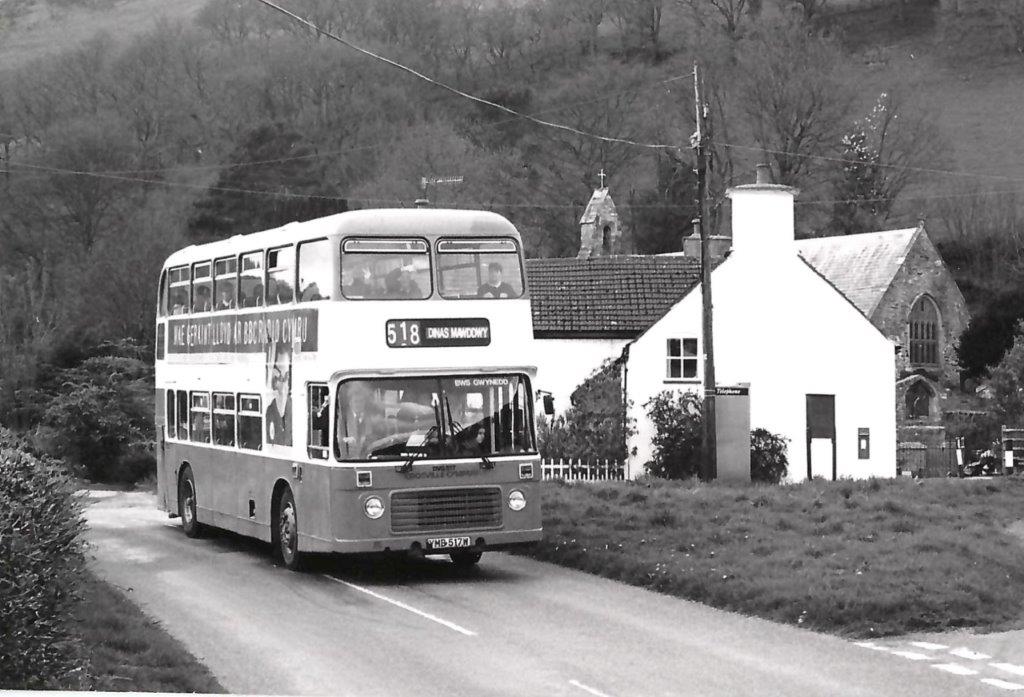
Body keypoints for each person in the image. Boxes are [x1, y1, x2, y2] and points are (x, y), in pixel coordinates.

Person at [339, 383, 386, 458]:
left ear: (365, 403)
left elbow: (380, 437)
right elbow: (336, 439)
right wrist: (345, 440)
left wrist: (368, 440)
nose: (358, 404)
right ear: (350, 403)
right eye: (355, 401)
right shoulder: (342, 419)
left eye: (361, 401)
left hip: (368, 458)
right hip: (348, 459)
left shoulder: (372, 418)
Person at [265, 341, 293, 446]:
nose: (283, 384)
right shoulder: (269, 411)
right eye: (279, 378)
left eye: (286, 377)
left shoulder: (294, 409)